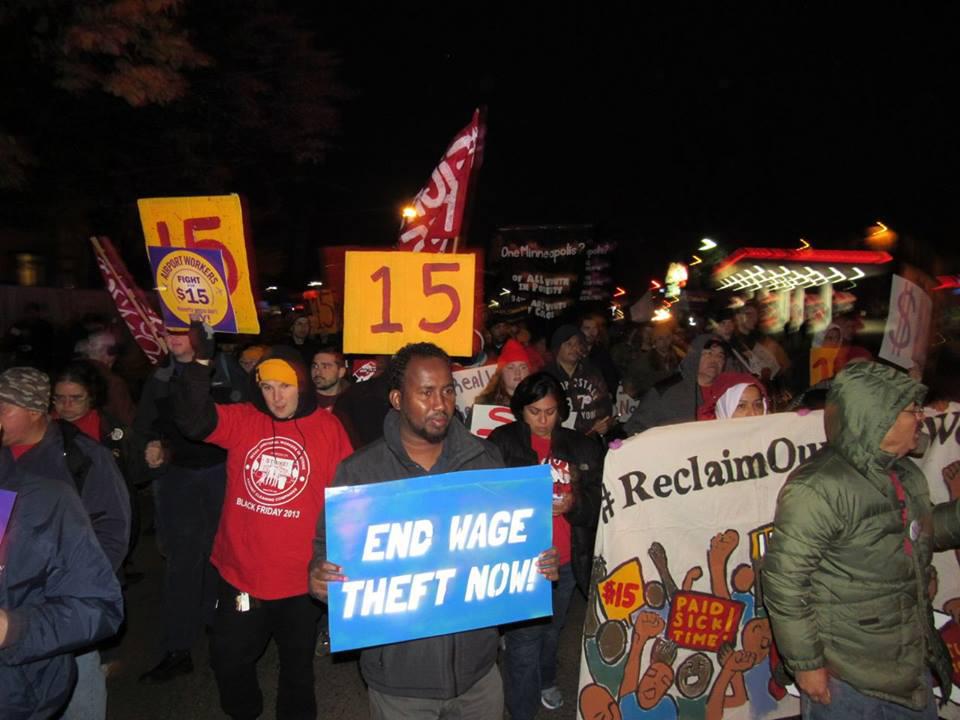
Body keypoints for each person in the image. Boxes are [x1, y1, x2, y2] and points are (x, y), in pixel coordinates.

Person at [309, 342, 558, 720]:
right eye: (425, 392)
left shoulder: (485, 461)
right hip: (399, 686)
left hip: (478, 677)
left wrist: (536, 562)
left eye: (447, 390)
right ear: (397, 398)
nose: (440, 403)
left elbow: (504, 545)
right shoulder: (360, 474)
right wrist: (320, 577)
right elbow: (327, 551)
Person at [763, 361, 960, 718]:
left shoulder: (904, 473)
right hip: (848, 680)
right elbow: (784, 584)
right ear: (877, 416)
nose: (921, 417)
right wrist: (806, 664)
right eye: (911, 410)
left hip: (906, 664)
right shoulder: (818, 487)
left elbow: (922, 532)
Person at [173, 328, 352, 720]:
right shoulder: (244, 420)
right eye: (267, 387)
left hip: (300, 580)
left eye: (285, 387)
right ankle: (244, 711)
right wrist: (200, 363)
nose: (276, 397)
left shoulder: (328, 428)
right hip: (241, 573)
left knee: (297, 670)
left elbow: (348, 499)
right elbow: (192, 420)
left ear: (301, 385)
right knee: (228, 660)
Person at [0, 367, 130, 719]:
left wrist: (68, 584)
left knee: (78, 696)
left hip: (64, 609)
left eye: (3, 408)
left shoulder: (82, 457)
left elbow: (113, 530)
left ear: (32, 411)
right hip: (13, 611)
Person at [487, 372, 601, 718]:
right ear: (521, 411)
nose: (542, 420)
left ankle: (547, 677)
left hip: (566, 559)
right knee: (524, 642)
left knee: (552, 631)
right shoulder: (502, 442)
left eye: (550, 411)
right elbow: (487, 499)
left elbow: (598, 501)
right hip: (523, 561)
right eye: (534, 411)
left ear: (561, 411)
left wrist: (574, 505)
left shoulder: (580, 445)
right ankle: (522, 710)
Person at [135, 329, 236, 684]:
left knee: (220, 555)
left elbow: (245, 417)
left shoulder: (225, 369)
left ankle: (218, 629)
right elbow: (146, 426)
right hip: (179, 478)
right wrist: (153, 447)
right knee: (181, 563)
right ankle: (178, 647)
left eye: (182, 331)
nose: (173, 338)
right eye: (169, 330)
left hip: (221, 473)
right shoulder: (160, 377)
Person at [625, 335, 726, 434]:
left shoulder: (728, 392)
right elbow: (636, 428)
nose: (714, 360)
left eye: (720, 356)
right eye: (708, 354)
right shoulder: (666, 390)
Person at [543, 325, 613, 437]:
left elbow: (605, 404)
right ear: (557, 348)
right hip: (560, 441)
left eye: (578, 344)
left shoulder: (592, 373)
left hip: (591, 439)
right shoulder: (546, 376)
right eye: (569, 344)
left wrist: (604, 423)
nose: (574, 348)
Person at [75, 329, 136, 426]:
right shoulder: (113, 382)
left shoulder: (69, 372)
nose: (115, 357)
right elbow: (127, 419)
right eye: (113, 351)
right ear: (107, 352)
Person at [697, 372, 769, 420]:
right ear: (723, 409)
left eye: (758, 405)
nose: (753, 414)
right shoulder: (707, 441)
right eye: (741, 406)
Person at [580, 312, 620, 396]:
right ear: (579, 330)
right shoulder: (573, 353)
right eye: (587, 328)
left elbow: (611, 378)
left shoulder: (602, 353)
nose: (592, 332)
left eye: (594, 328)